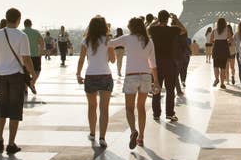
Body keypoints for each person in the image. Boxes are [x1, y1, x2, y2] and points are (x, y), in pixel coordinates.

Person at [0, 7, 34, 154]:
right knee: (15, 111)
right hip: (16, 76)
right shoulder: (22, 36)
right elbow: (26, 59)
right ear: (18, 19)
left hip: (1, 77)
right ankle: (11, 143)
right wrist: (33, 74)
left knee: (1, 109)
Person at [110, 17, 158, 149]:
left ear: (131, 27)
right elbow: (153, 64)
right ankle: (141, 137)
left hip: (131, 76)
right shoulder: (149, 41)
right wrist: (157, 82)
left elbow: (109, 43)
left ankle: (133, 131)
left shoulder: (127, 38)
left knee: (129, 108)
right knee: (141, 107)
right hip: (146, 76)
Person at [76, 16, 115, 148]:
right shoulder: (108, 40)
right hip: (105, 75)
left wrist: (78, 74)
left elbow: (81, 59)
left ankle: (92, 133)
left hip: (90, 75)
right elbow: (113, 60)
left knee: (92, 107)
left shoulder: (85, 40)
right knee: (104, 109)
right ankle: (102, 137)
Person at [149, 10, 186, 122]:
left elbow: (147, 29)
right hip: (170, 62)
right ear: (168, 19)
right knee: (170, 90)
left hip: (157, 64)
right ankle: (169, 113)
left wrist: (155, 21)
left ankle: (156, 113)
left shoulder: (154, 30)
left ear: (159, 19)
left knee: (156, 88)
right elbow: (184, 30)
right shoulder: (172, 30)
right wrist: (176, 19)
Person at [23, 19, 44, 87]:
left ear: (24, 25)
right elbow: (42, 43)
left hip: (24, 56)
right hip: (35, 55)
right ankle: (32, 82)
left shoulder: (21, 33)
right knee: (37, 70)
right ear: (31, 24)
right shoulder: (36, 32)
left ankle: (25, 88)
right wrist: (40, 53)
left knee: (26, 72)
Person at [210, 18, 230, 88]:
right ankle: (222, 83)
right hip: (224, 48)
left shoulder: (214, 31)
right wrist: (226, 42)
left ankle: (216, 79)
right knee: (223, 67)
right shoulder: (227, 30)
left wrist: (215, 43)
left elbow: (210, 40)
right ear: (225, 23)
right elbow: (230, 39)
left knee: (215, 65)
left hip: (216, 48)